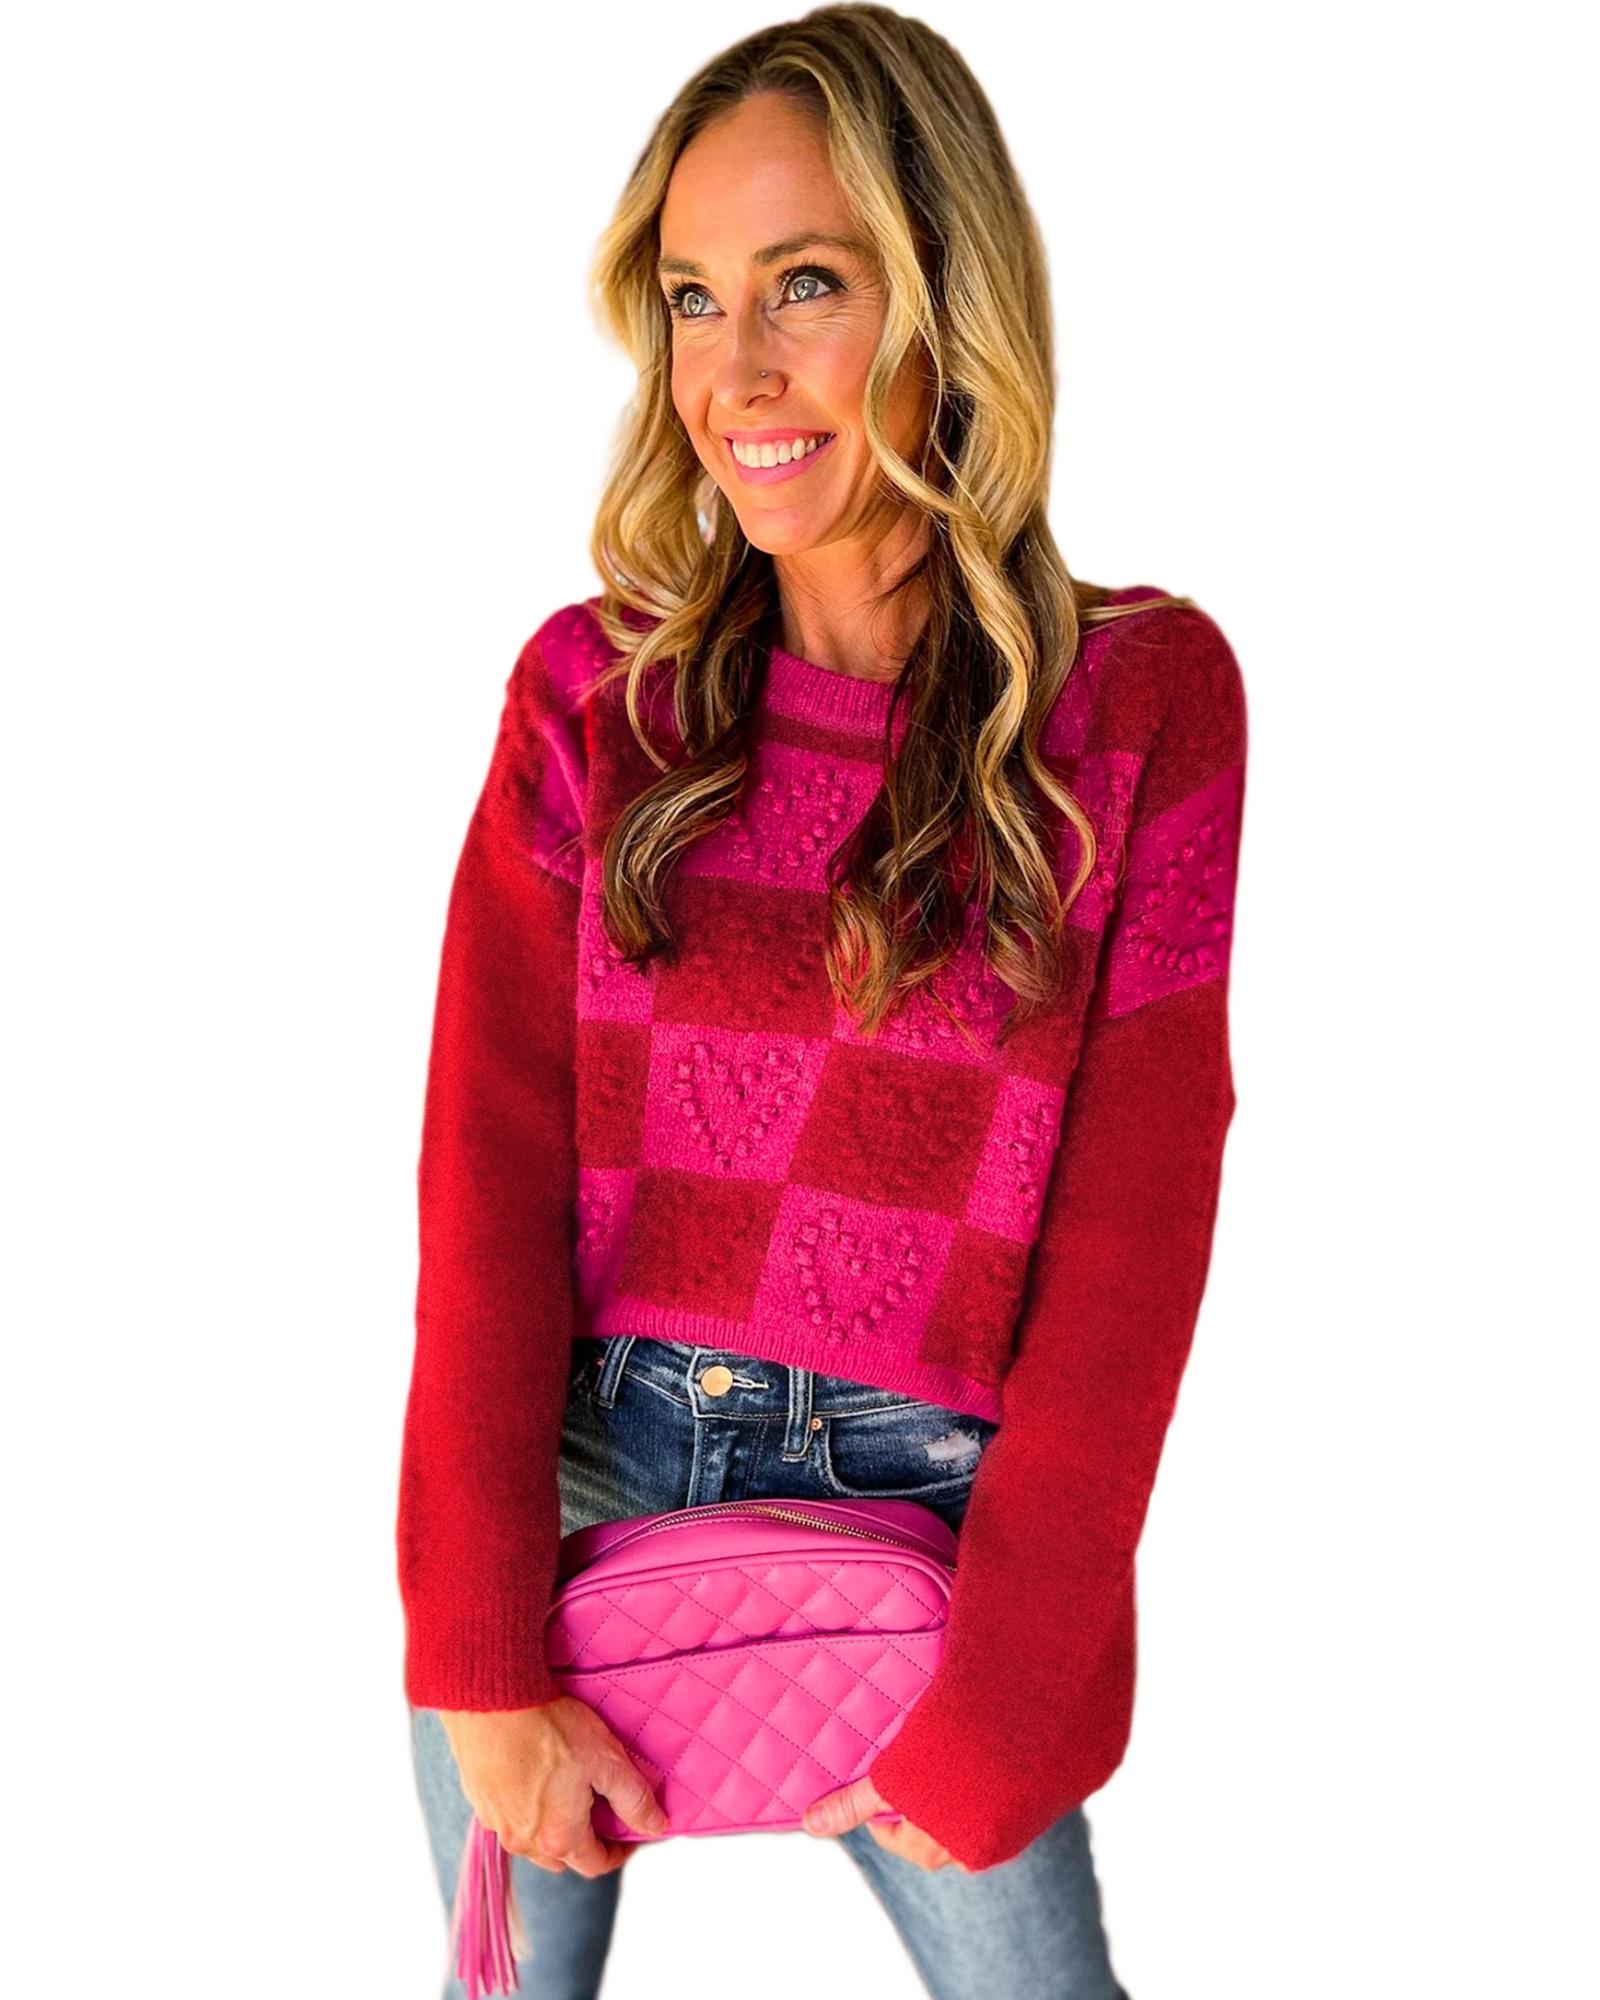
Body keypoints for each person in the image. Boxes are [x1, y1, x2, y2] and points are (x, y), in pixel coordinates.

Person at [396, 7, 1247, 1996]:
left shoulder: (1140, 705)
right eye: (694, 298)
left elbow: (1132, 1247)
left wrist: (1013, 1693)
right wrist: (474, 1654)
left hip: (939, 1535)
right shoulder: (590, 701)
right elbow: (484, 1184)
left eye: (805, 284)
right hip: (583, 1483)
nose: (735, 373)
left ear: (946, 297)